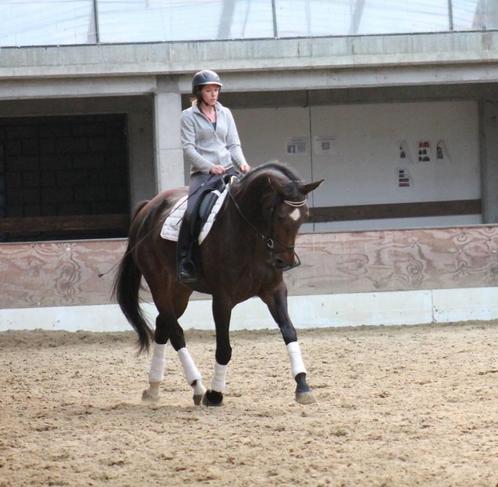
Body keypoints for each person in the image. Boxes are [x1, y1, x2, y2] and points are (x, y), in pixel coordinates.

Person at [177, 69, 251, 283]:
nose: (213, 94)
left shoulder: (226, 112)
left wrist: (243, 164)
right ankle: (185, 261)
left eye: (216, 90)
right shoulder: (187, 116)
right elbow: (189, 149)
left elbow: (233, 144)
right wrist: (210, 167)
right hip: (203, 174)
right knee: (192, 212)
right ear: (199, 92)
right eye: (208, 90)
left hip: (229, 170)